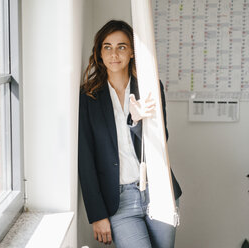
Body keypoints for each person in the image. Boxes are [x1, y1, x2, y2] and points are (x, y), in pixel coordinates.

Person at [78, 20, 182, 248]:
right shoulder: (88, 97)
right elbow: (85, 159)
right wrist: (97, 214)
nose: (114, 54)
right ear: (99, 52)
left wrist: (136, 121)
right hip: (118, 201)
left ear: (132, 52)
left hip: (158, 193)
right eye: (107, 47)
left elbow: (160, 140)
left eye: (121, 46)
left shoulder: (150, 87)